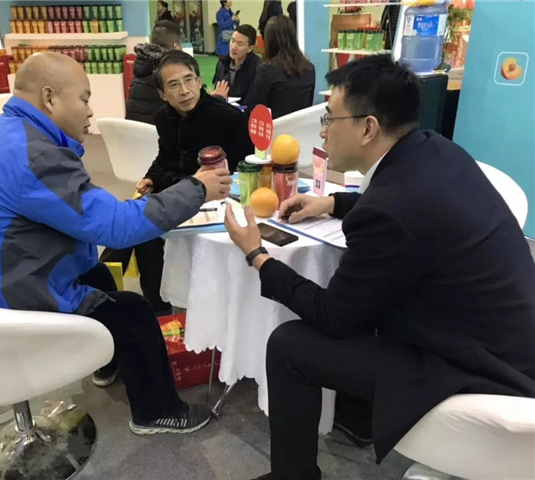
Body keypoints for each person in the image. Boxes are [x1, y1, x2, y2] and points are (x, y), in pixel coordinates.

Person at [224, 55, 535, 480]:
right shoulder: (435, 149)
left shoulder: (387, 210)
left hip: (474, 368)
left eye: (330, 118)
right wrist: (332, 202)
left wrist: (257, 256)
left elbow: (333, 317)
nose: (323, 131)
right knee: (368, 302)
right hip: (512, 339)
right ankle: (356, 417)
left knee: (289, 345)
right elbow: (407, 207)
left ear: (368, 128)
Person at [0, 52, 233, 435]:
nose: (90, 111)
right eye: (84, 98)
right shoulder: (36, 156)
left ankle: (105, 361)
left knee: (98, 275)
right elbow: (117, 226)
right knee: (134, 312)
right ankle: (156, 412)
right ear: (49, 98)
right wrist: (196, 188)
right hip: (2, 307)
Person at [101, 51, 254, 314]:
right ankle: (157, 308)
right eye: (174, 85)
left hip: (216, 199)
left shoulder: (228, 117)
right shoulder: (163, 117)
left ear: (199, 81)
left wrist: (173, 181)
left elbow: (243, 168)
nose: (184, 90)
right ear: (162, 94)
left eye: (189, 80)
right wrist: (152, 177)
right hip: (178, 191)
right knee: (141, 228)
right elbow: (165, 156)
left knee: (147, 222)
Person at [246, 15, 315, 119]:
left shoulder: (266, 70)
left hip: (276, 126)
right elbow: (308, 103)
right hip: (301, 126)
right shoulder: (309, 68)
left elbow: (259, 109)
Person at [125, 20, 182, 125]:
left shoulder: (141, 65)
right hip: (159, 132)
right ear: (176, 47)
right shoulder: (171, 70)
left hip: (133, 132)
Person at [212, 24, 260, 105]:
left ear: (250, 48)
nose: (234, 47)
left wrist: (224, 101)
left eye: (240, 44)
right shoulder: (222, 64)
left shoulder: (257, 68)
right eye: (232, 41)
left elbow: (251, 102)